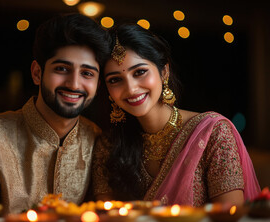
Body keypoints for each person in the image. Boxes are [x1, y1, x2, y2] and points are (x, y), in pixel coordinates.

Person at [0, 13, 110, 215]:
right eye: (62, 68)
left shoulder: (98, 140)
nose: (74, 84)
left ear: (97, 84)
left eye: (87, 73)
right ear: (37, 73)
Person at [92, 24, 260, 207]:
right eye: (115, 80)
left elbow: (230, 218)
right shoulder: (109, 145)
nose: (131, 89)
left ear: (164, 72)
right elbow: (107, 219)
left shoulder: (213, 133)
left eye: (140, 72)